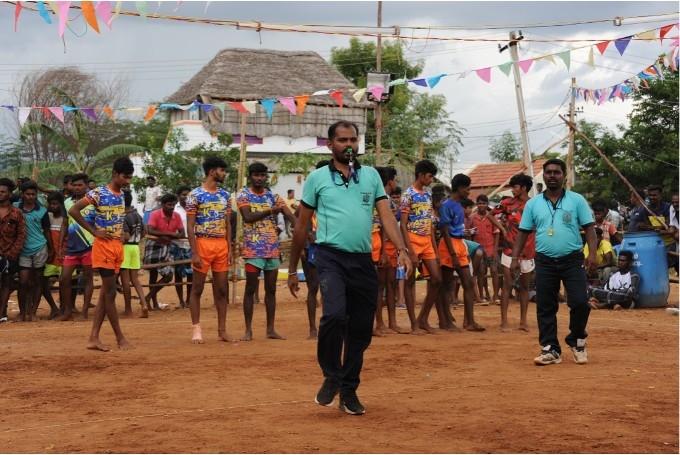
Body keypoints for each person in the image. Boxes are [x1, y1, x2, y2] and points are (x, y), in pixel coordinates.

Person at [287, 121, 412, 416]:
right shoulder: (317, 178)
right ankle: (331, 374)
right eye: (342, 140)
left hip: (362, 260)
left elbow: (386, 216)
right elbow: (302, 225)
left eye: (353, 139)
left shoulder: (370, 177)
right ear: (330, 145)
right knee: (333, 315)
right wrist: (292, 269)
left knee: (361, 329)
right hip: (330, 257)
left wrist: (403, 249)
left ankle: (349, 389)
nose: (349, 145)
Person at [513, 158, 597, 366]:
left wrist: (592, 255)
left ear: (563, 175)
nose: (552, 176)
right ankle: (550, 349)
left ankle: (577, 341)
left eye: (556, 172)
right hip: (544, 261)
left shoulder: (576, 200)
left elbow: (590, 229)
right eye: (548, 172)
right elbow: (523, 232)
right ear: (544, 174)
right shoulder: (533, 204)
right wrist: (515, 257)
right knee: (545, 305)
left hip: (572, 260)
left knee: (579, 302)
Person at [69, 157, 135, 351]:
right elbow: (74, 210)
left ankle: (94, 338)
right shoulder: (98, 193)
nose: (128, 181)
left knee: (106, 294)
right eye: (125, 177)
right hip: (104, 247)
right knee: (110, 293)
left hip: (116, 246)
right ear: (115, 173)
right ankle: (120, 338)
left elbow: (116, 218)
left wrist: (122, 232)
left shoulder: (121, 195)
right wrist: (93, 231)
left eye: (130, 178)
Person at [237, 162, 295, 341]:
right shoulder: (243, 195)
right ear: (250, 176)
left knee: (271, 290)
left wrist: (300, 225)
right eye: (256, 175)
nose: (260, 178)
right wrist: (270, 210)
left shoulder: (273, 196)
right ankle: (248, 330)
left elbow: (289, 215)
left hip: (271, 248)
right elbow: (247, 217)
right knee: (250, 289)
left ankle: (270, 329)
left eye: (262, 175)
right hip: (253, 249)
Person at [186, 157, 232, 344]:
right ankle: (196, 329)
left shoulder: (226, 196)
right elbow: (190, 226)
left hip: (221, 244)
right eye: (222, 170)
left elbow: (228, 223)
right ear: (212, 171)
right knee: (197, 288)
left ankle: (222, 330)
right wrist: (195, 251)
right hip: (203, 243)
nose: (224, 174)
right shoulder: (194, 195)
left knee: (222, 289)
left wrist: (229, 248)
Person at [400, 159, 442, 334]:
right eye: (430, 176)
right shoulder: (407, 195)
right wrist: (409, 251)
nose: (431, 179)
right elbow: (402, 224)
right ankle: (414, 324)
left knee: (437, 279)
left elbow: (430, 224)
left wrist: (435, 248)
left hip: (427, 241)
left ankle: (422, 318)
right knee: (410, 282)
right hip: (412, 239)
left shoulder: (427, 195)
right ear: (421, 175)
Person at [439, 174, 485, 332]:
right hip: (449, 246)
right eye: (467, 188)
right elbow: (444, 231)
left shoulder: (458, 205)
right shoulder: (447, 205)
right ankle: (446, 321)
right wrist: (452, 254)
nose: (468, 191)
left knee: (468, 283)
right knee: (447, 285)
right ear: (459, 188)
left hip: (459, 243)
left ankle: (468, 321)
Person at [493, 173, 535, 332]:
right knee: (507, 285)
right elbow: (491, 215)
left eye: (515, 186)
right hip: (510, 249)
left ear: (523, 188)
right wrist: (503, 230)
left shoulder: (534, 204)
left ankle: (523, 322)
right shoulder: (506, 203)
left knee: (525, 287)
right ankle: (504, 321)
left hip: (528, 250)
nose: (512, 190)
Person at [373, 166, 408, 335]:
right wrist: (384, 253)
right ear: (389, 181)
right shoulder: (381, 200)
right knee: (381, 286)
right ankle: (380, 322)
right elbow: (381, 227)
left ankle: (391, 322)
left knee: (391, 283)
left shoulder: (389, 200)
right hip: (383, 246)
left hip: (389, 246)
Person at [14, 180, 54, 321]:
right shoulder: (15, 208)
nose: (30, 196)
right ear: (22, 194)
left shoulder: (42, 211)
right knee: (23, 282)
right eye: (28, 194)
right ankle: (22, 312)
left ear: (36, 195)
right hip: (23, 249)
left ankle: (33, 312)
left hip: (40, 248)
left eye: (33, 194)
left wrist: (51, 248)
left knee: (37, 281)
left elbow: (47, 231)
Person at [60, 173, 95, 321]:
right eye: (74, 185)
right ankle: (68, 311)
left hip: (89, 246)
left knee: (88, 279)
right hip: (71, 247)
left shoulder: (93, 201)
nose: (77, 188)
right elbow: (64, 223)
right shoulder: (67, 202)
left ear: (86, 186)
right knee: (64, 279)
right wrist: (61, 243)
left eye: (80, 185)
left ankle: (85, 312)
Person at [144, 193, 183, 310]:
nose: (171, 207)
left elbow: (182, 233)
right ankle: (153, 302)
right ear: (163, 205)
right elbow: (150, 230)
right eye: (169, 205)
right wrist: (170, 234)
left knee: (168, 276)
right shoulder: (155, 214)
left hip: (167, 246)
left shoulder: (177, 216)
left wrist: (168, 236)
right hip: (154, 245)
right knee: (153, 273)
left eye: (173, 205)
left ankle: (148, 297)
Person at [0, 178, 26, 323]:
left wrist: (13, 253)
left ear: (10, 194)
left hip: (10, 254)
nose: (0, 194)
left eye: (3, 192)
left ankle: (2, 313)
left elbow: (21, 234)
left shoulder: (16, 213)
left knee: (6, 284)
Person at [120, 190, 149, 318]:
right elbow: (144, 232)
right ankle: (144, 303)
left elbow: (125, 236)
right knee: (135, 279)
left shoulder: (123, 216)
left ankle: (128, 309)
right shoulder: (137, 215)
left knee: (125, 281)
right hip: (135, 248)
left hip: (126, 248)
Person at [471, 194, 500, 305]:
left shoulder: (492, 217)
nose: (481, 205)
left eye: (483, 203)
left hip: (491, 248)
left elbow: (497, 233)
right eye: (479, 203)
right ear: (476, 205)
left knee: (494, 271)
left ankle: (496, 296)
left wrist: (495, 249)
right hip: (478, 250)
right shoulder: (473, 218)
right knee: (481, 272)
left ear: (487, 204)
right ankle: (482, 296)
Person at [42, 191, 67, 320]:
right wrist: (51, 249)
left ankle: (63, 308)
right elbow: (46, 234)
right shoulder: (47, 216)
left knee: (64, 282)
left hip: (62, 254)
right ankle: (54, 307)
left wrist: (61, 249)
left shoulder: (65, 217)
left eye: (56, 204)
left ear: (61, 204)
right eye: (51, 204)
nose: (53, 206)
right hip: (50, 255)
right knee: (43, 282)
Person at [172, 186, 193, 309]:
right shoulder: (174, 210)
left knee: (192, 274)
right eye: (183, 195)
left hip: (191, 245)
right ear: (178, 196)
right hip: (178, 245)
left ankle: (189, 299)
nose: (186, 197)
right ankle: (181, 300)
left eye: (188, 195)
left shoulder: (194, 208)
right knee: (178, 273)